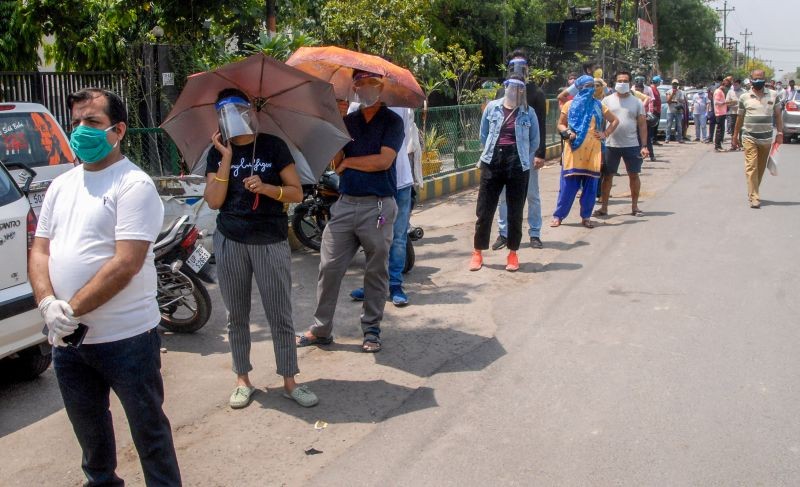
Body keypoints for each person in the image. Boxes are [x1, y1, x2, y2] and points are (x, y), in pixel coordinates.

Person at [28, 88, 182, 486]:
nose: (81, 130)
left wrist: (70, 310)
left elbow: (125, 263)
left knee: (149, 433)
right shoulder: (61, 185)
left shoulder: (133, 185)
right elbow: (40, 250)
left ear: (118, 130)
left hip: (127, 339)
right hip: (69, 343)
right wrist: (48, 304)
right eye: (76, 122)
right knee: (92, 441)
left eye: (92, 122)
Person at [203, 89, 318, 409]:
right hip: (230, 240)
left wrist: (266, 187)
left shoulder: (273, 146)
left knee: (280, 314)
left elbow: (295, 193)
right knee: (235, 315)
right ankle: (242, 379)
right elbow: (214, 201)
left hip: (270, 241)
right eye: (223, 112)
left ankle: (290, 380)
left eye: (237, 109)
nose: (231, 116)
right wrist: (226, 159)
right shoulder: (217, 152)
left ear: (249, 111)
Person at [297, 71, 403, 353]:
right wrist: (336, 125)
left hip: (378, 205)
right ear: (354, 87)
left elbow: (383, 161)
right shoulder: (349, 121)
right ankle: (321, 329)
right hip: (345, 203)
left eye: (371, 83)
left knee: (375, 271)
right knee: (329, 267)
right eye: (360, 84)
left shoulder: (393, 121)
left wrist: (349, 164)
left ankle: (371, 330)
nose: (365, 88)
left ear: (381, 86)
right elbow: (336, 161)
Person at [470, 74, 540, 272]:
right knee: (484, 210)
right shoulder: (492, 107)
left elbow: (534, 140)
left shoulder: (528, 112)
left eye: (519, 88)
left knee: (515, 211)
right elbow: (483, 135)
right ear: (505, 87)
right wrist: (495, 151)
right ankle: (477, 252)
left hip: (518, 164)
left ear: (522, 90)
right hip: (493, 161)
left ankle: (513, 253)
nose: (514, 90)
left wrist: (522, 155)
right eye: (511, 86)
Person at [349, 106, 416, 306]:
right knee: (372, 240)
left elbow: (397, 140)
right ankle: (373, 285)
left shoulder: (402, 107)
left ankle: (395, 285)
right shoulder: (355, 106)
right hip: (372, 185)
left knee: (398, 237)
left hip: (399, 181)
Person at [492, 49, 547, 251]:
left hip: (528, 151)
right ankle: (504, 233)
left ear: (527, 69)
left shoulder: (536, 93)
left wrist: (540, 153)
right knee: (503, 195)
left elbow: (540, 124)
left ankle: (535, 233)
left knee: (532, 193)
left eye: (521, 66)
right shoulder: (501, 92)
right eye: (514, 66)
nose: (518, 70)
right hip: (504, 152)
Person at [551, 76, 618, 228]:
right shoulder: (569, 104)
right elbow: (560, 124)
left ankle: (586, 217)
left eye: (592, 85)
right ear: (579, 87)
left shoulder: (598, 105)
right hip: (573, 150)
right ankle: (558, 216)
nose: (590, 88)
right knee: (568, 187)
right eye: (586, 85)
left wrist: (605, 133)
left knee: (590, 188)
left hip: (593, 152)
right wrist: (568, 131)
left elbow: (615, 121)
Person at [595, 71, 649, 217]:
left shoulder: (637, 102)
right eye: (620, 80)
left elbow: (642, 125)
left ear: (630, 83)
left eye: (625, 81)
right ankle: (604, 207)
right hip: (611, 144)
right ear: (615, 82)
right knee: (607, 176)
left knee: (634, 175)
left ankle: (635, 207)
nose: (622, 83)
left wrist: (644, 146)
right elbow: (600, 122)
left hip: (631, 144)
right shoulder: (606, 101)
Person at [732, 69, 784, 209]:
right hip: (749, 137)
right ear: (750, 79)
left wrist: (780, 132)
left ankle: (753, 191)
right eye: (755, 78)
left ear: (765, 79)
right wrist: (735, 136)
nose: (758, 80)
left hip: (766, 139)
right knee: (751, 166)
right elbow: (740, 117)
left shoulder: (774, 95)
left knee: (760, 168)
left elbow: (778, 115)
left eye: (761, 78)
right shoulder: (744, 97)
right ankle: (754, 196)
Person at [713, 78, 731, 151]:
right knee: (719, 130)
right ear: (722, 85)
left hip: (722, 113)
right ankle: (717, 146)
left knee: (721, 129)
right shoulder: (718, 92)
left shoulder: (721, 91)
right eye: (725, 86)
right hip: (719, 113)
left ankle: (719, 145)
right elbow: (716, 102)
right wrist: (724, 103)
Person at [664, 79, 685, 143]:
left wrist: (677, 100)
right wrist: (673, 94)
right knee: (669, 125)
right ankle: (667, 138)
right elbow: (668, 101)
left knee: (679, 125)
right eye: (674, 84)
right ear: (672, 84)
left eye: (676, 84)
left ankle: (680, 138)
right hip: (670, 111)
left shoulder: (680, 92)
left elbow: (683, 101)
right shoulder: (669, 91)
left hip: (678, 111)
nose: (675, 85)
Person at [649, 75, 663, 148]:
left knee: (656, 126)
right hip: (654, 111)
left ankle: (654, 139)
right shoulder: (652, 89)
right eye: (659, 81)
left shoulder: (656, 89)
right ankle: (651, 139)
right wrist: (654, 108)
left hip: (658, 110)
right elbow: (653, 99)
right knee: (653, 126)